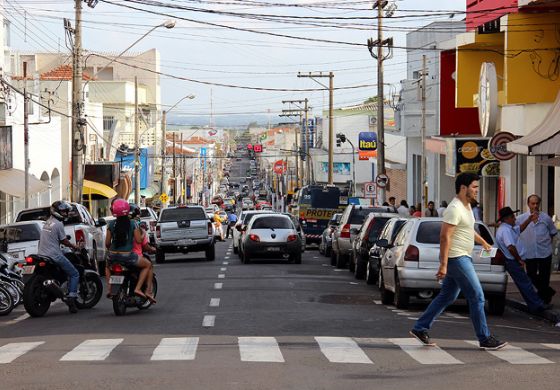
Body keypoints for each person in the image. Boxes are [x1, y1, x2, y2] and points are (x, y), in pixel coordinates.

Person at [410, 173, 507, 350]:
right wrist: (443, 264)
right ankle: (484, 338)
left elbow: (467, 229)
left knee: (448, 295)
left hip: (463, 256)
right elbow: (444, 236)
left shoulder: (467, 207)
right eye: (474, 187)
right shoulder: (454, 208)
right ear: (463, 188)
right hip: (457, 258)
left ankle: (420, 328)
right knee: (477, 296)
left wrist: (484, 242)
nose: (477, 190)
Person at [495, 207, 551, 313]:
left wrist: (529, 219)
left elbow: (519, 229)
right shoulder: (506, 230)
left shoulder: (507, 228)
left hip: (512, 260)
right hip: (512, 260)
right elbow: (511, 247)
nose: (514, 219)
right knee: (525, 283)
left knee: (524, 283)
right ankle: (537, 305)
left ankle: (535, 304)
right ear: (506, 218)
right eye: (512, 217)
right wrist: (519, 259)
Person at [105, 199, 155, 303]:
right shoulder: (133, 223)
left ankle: (110, 288)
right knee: (148, 265)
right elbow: (138, 240)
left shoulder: (111, 224)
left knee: (107, 267)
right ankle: (138, 288)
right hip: (128, 257)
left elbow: (107, 244)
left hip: (112, 256)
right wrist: (143, 234)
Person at [38, 201, 82, 314]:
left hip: (42, 254)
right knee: (74, 273)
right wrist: (75, 247)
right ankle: (72, 298)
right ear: (56, 211)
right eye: (63, 211)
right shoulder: (58, 224)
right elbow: (64, 240)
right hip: (54, 255)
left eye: (66, 211)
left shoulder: (48, 223)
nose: (66, 214)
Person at [517, 194, 558, 304]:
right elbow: (513, 229)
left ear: (539, 204)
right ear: (528, 204)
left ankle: (544, 299)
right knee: (531, 275)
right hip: (529, 252)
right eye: (532, 203)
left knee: (544, 277)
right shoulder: (521, 218)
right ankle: (547, 292)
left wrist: (547, 242)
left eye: (537, 203)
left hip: (544, 251)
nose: (535, 206)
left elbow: (553, 232)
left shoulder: (546, 218)